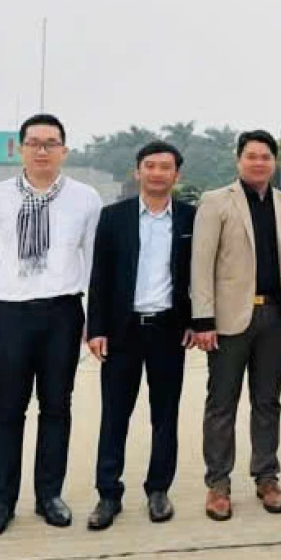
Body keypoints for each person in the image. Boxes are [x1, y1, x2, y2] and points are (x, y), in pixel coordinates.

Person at [0, 114, 103, 540]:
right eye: (34, 142)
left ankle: (49, 496)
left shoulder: (84, 198)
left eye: (50, 143)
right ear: (20, 148)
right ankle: (1, 502)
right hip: (8, 313)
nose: (42, 150)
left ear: (64, 150)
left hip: (62, 313)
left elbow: (95, 263)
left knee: (56, 407)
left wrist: (93, 319)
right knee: (6, 409)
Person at [191, 129, 281, 520]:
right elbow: (201, 264)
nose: (259, 162)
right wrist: (203, 319)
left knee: (267, 401)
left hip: (274, 316)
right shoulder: (216, 202)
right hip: (228, 320)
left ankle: (266, 477)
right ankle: (218, 484)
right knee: (221, 403)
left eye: (266, 156)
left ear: (274, 162)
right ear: (239, 160)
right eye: (251, 156)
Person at [85, 141, 196, 530]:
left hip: (168, 329)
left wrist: (194, 322)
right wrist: (95, 328)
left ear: (176, 175)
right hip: (122, 331)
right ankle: (107, 494)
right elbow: (99, 276)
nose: (157, 173)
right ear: (138, 172)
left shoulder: (189, 219)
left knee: (165, 415)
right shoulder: (113, 218)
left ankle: (158, 490)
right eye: (150, 166)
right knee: (115, 415)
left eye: (166, 167)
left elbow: (197, 277)